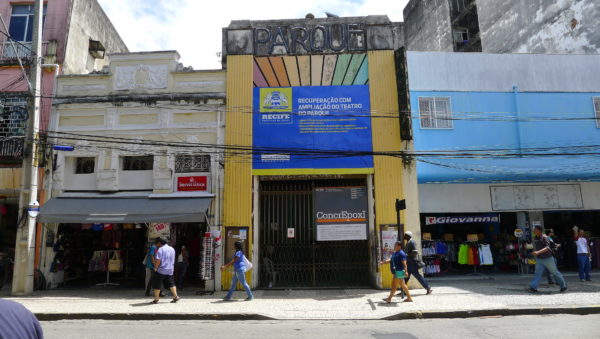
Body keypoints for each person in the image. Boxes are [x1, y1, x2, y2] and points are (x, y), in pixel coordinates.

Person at [529, 226, 567, 293]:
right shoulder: (536, 237)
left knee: (554, 272)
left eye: (535, 230)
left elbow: (547, 248)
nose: (533, 231)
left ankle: (563, 286)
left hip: (548, 259)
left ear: (539, 230)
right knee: (537, 273)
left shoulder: (544, 237)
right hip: (539, 259)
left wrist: (537, 252)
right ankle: (533, 287)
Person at [401, 231, 433, 296]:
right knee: (405, 277)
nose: (404, 236)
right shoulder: (409, 242)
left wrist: (406, 254)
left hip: (412, 263)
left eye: (405, 235)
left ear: (408, 236)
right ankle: (403, 290)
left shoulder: (412, 242)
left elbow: (415, 252)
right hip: (409, 263)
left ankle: (428, 288)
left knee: (418, 276)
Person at [151, 237, 180, 304]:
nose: (156, 245)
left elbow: (158, 260)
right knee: (171, 283)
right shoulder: (172, 249)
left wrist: (155, 267)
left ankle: (156, 299)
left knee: (157, 284)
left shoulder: (160, 249)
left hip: (161, 270)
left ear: (159, 243)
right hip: (170, 269)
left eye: (156, 244)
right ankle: (176, 296)